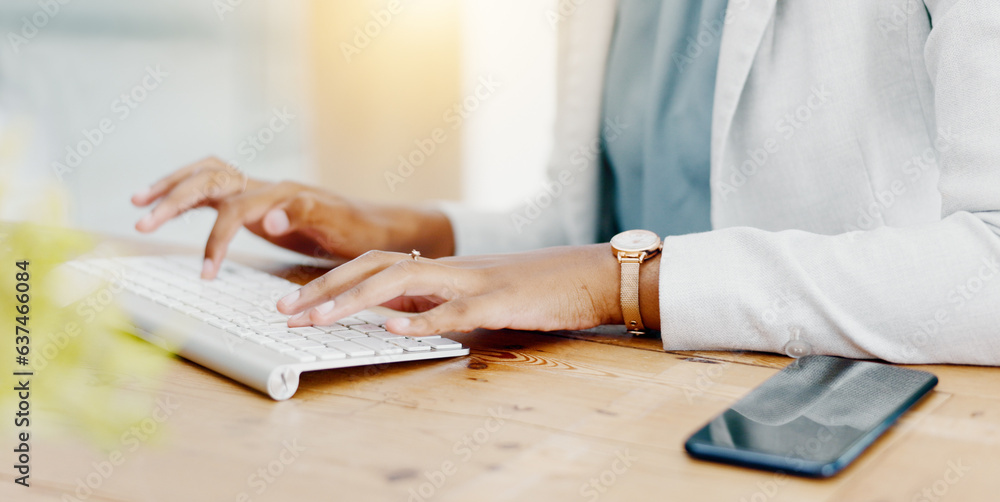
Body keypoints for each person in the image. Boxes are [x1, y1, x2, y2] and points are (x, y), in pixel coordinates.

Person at [131, 0, 1000, 365]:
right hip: (626, 412)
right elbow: (604, 222)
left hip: (834, 431)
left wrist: (615, 282)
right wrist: (402, 230)